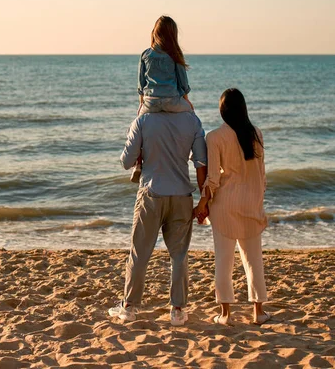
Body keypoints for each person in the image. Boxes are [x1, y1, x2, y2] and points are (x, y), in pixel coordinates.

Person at [109, 96, 208, 326]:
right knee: (179, 255)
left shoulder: (143, 120)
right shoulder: (192, 120)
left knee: (139, 253)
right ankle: (178, 310)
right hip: (182, 195)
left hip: (151, 194)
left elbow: (126, 161)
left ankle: (130, 307)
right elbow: (201, 162)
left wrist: (135, 130)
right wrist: (205, 199)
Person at [194, 88, 270, 325]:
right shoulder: (256, 133)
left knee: (223, 261)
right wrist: (258, 199)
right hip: (251, 205)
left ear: (222, 111)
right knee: (253, 260)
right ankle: (258, 312)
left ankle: (226, 315)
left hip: (225, 207)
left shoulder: (215, 137)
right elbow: (262, 174)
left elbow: (213, 179)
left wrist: (202, 204)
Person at [130, 16, 195, 183]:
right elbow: (183, 83)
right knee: (193, 120)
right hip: (172, 101)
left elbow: (141, 85)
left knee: (137, 127)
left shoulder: (146, 54)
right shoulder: (174, 54)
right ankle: (194, 151)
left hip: (150, 102)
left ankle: (138, 163)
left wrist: (141, 106)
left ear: (155, 33)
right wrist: (187, 102)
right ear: (173, 35)